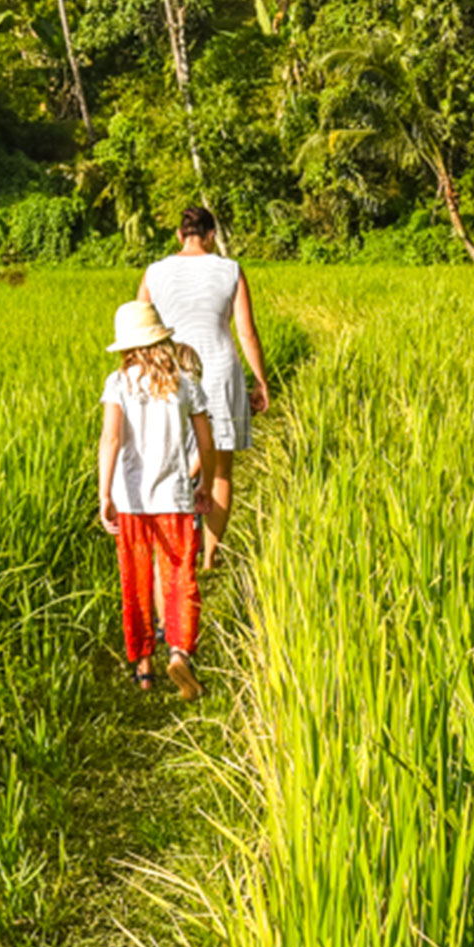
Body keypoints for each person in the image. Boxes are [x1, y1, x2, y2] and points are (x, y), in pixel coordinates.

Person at [137, 205, 270, 568]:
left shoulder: (154, 272)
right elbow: (246, 331)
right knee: (222, 470)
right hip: (219, 371)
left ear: (180, 235)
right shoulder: (230, 270)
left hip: (170, 374)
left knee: (172, 461)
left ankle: (173, 548)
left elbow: (139, 328)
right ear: (211, 236)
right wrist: (260, 381)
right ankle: (209, 557)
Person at [97, 300, 216, 700]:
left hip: (131, 499)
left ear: (128, 346)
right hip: (176, 498)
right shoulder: (185, 382)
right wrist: (204, 485)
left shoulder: (120, 383)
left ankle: (144, 669)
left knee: (136, 580)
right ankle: (179, 650)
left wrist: (104, 492)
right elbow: (205, 440)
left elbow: (111, 439)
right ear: (161, 339)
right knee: (180, 578)